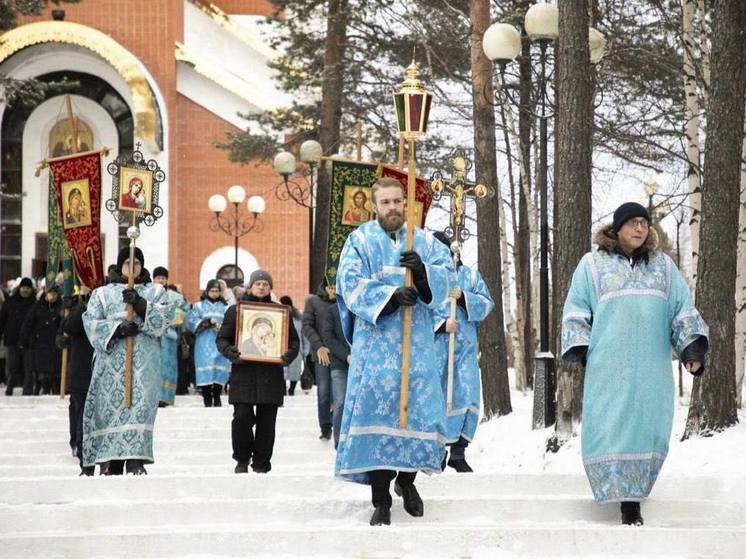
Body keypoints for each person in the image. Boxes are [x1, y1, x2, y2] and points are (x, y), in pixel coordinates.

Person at [561, 202, 709, 526]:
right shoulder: (592, 265)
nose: (640, 228)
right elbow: (576, 308)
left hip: (650, 368)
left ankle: (632, 500)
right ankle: (617, 491)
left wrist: (691, 350)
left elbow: (682, 309)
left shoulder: (664, 267)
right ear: (617, 228)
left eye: (644, 222)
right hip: (608, 365)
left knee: (647, 426)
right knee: (608, 425)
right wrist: (583, 349)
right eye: (632, 223)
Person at [335, 177, 452, 526]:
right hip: (376, 352)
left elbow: (448, 278)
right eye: (385, 202)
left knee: (416, 415)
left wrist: (421, 273)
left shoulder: (426, 241)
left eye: (398, 201)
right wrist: (389, 298)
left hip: (416, 350)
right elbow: (349, 283)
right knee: (379, 419)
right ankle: (381, 498)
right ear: (374, 205)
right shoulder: (359, 241)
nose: (392, 208)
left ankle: (407, 480)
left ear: (406, 203)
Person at [82, 247, 172, 475]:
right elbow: (90, 322)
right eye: (128, 264)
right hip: (111, 363)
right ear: (119, 265)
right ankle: (111, 461)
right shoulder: (102, 293)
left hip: (143, 362)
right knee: (111, 408)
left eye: (137, 264)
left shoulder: (156, 291)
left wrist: (141, 304)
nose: (133, 268)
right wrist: (117, 329)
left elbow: (163, 321)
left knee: (140, 406)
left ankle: (135, 459)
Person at [216, 270, 299, 474]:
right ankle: (242, 458)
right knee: (242, 417)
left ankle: (261, 462)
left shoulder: (281, 313)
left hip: (270, 375)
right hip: (243, 373)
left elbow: (293, 341)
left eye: (265, 284)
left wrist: (288, 355)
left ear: (270, 288)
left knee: (267, 422)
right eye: (258, 283)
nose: (261, 287)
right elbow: (222, 339)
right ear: (250, 286)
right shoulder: (236, 311)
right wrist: (231, 352)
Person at [432, 232, 494, 472]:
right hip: (437, 348)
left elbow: (486, 303)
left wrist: (465, 297)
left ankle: (458, 452)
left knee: (466, 394)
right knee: (438, 397)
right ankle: (436, 451)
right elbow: (419, 311)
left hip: (464, 348)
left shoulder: (468, 275)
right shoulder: (428, 277)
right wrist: (440, 324)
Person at [57, 289, 95, 475]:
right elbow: (68, 328)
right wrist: (81, 307)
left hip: (101, 373)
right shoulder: (80, 309)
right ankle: (79, 449)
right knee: (79, 412)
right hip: (81, 372)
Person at [187, 279, 230, 407]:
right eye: (212, 291)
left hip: (219, 341)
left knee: (219, 367)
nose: (214, 293)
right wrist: (206, 322)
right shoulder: (199, 306)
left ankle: (217, 396)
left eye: (217, 291)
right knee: (205, 368)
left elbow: (230, 323)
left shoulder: (225, 307)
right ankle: (206, 397)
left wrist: (221, 326)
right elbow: (191, 321)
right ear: (207, 291)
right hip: (204, 341)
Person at [302, 280, 336, 440]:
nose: (333, 290)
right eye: (331, 286)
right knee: (324, 391)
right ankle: (325, 426)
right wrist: (318, 346)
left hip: (342, 355)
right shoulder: (313, 302)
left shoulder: (345, 300)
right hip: (321, 353)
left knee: (340, 393)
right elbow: (307, 326)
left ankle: (339, 423)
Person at [152, 267, 189, 406]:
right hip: (152, 336)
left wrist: (173, 318)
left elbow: (184, 311)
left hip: (168, 337)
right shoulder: (148, 294)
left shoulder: (175, 296)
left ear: (167, 279)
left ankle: (165, 397)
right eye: (158, 278)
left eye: (163, 278)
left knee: (168, 366)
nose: (161, 280)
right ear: (153, 279)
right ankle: (152, 396)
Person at [19, 283, 64, 395]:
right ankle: (42, 389)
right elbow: (28, 324)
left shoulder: (61, 307)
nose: (52, 296)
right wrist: (23, 340)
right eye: (50, 293)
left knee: (55, 373)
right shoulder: (38, 306)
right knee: (42, 373)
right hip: (40, 345)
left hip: (55, 345)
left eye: (54, 294)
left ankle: (55, 390)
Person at [320, 300, 349, 448]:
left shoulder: (363, 308)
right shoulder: (332, 310)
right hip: (340, 365)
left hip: (363, 364)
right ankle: (339, 443)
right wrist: (346, 355)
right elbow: (328, 337)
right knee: (341, 402)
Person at [0, 277, 36, 395]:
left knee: (28, 367)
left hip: (28, 341)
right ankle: (9, 387)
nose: (25, 290)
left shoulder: (34, 303)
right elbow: (2, 320)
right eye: (23, 287)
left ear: (31, 289)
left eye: (27, 288)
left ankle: (27, 390)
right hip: (12, 340)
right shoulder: (10, 302)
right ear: (19, 288)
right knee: (11, 366)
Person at [279, 296, 308, 396]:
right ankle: (282, 388)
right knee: (282, 370)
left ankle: (292, 388)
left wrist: (305, 350)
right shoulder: (278, 316)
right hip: (281, 348)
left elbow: (304, 335)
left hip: (296, 349)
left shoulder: (298, 318)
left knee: (295, 371)